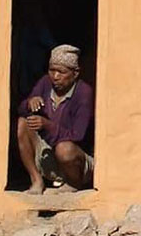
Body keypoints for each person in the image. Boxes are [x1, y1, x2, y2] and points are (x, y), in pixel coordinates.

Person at [16, 44, 94, 194]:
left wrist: (47, 125)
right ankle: (36, 180)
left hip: (75, 160)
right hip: (48, 154)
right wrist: (29, 103)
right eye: (52, 70)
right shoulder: (45, 83)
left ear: (75, 73)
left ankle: (73, 184)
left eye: (61, 72)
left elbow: (78, 135)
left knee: (64, 148)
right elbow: (20, 109)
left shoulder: (83, 93)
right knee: (22, 123)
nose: (55, 76)